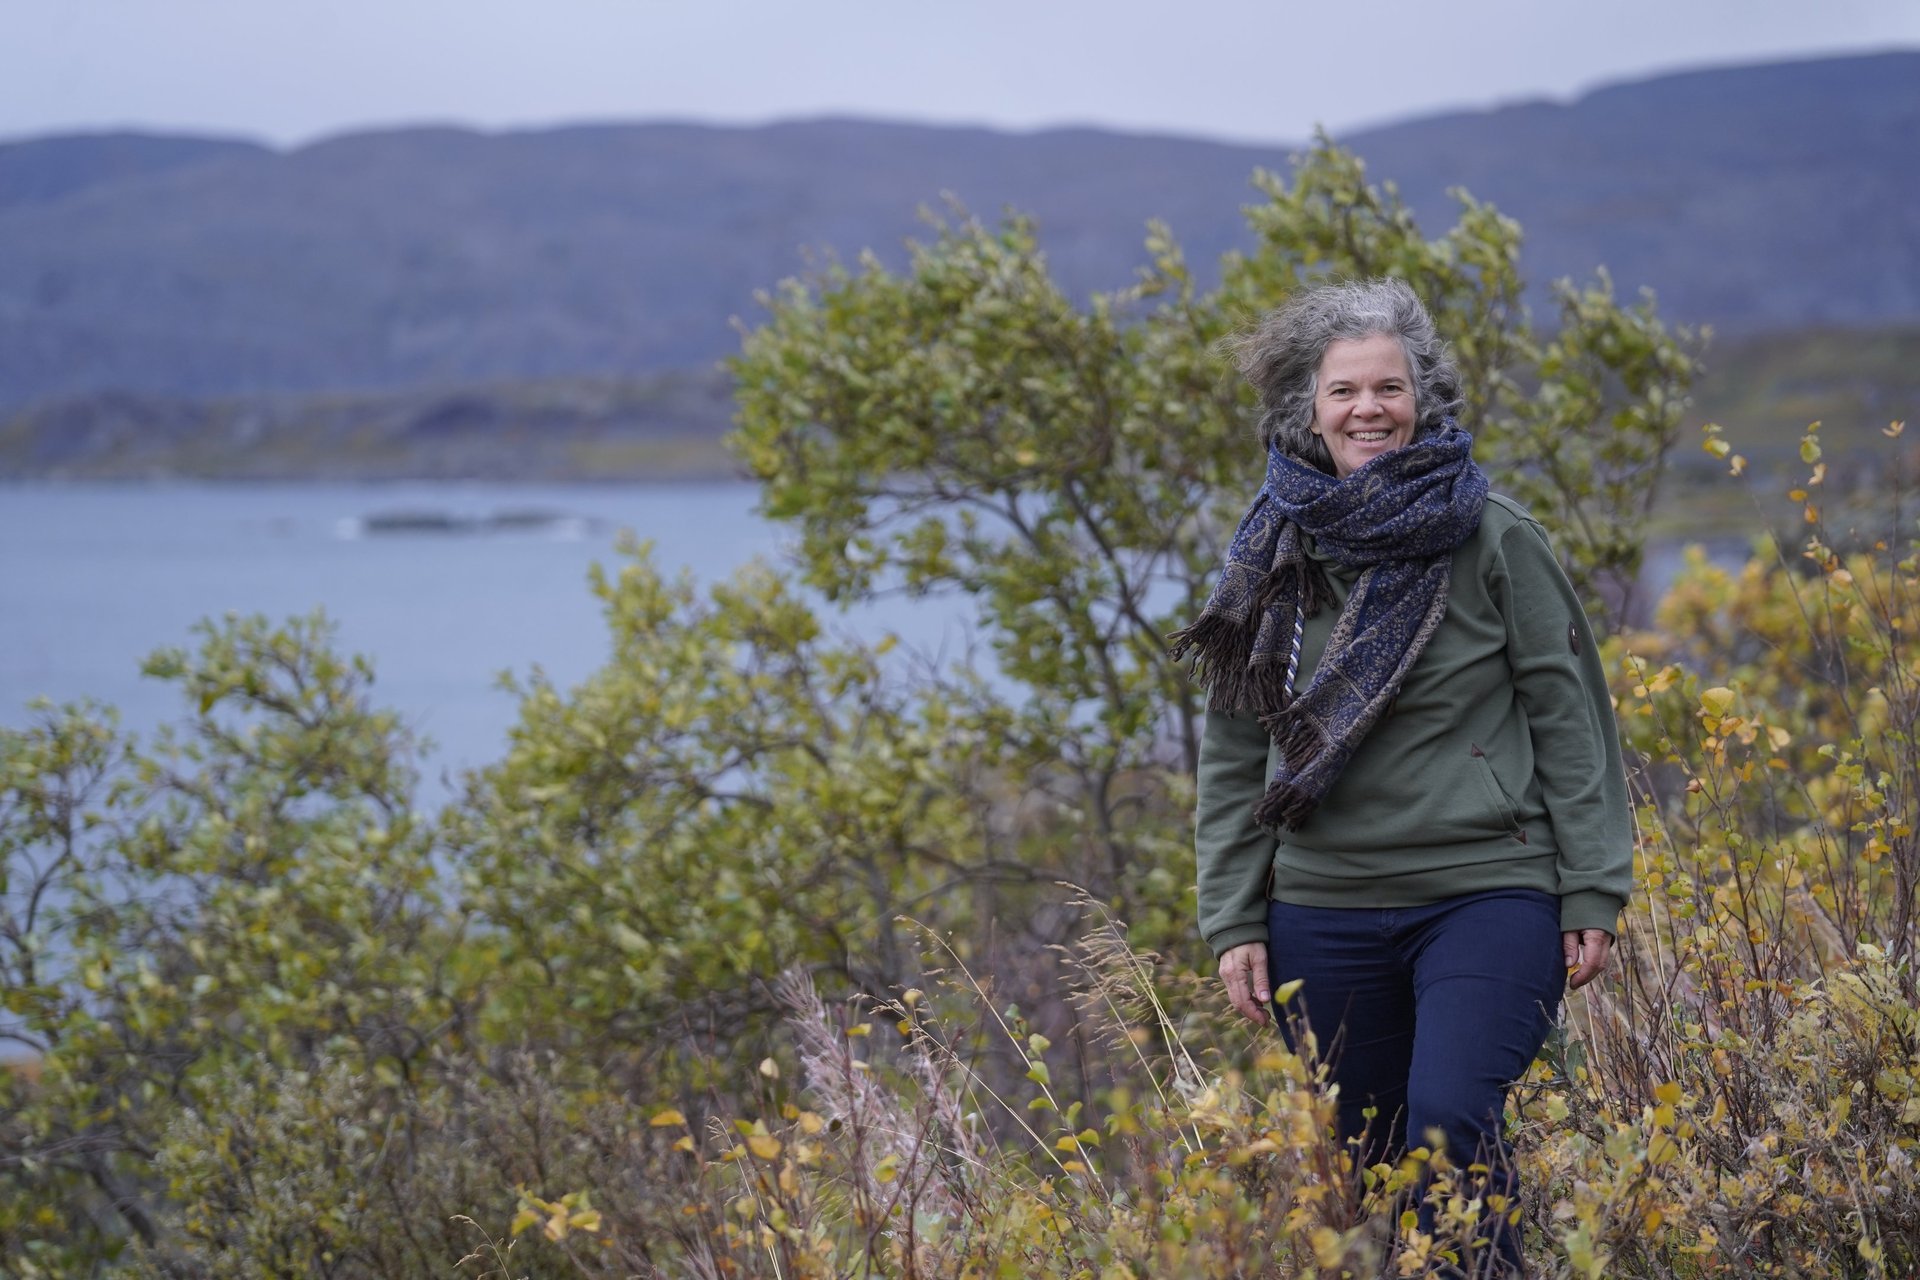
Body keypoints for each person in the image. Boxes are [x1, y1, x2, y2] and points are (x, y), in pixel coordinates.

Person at [1171, 277, 1631, 1278]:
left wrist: (1592, 882)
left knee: (1449, 1119)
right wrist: (1234, 917)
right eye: (1344, 390)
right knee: (1383, 1165)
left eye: (1388, 387)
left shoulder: (1492, 534)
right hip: (1321, 905)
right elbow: (1239, 749)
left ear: (1424, 398)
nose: (1367, 408)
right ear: (1309, 406)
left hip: (1487, 889)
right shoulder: (1273, 551)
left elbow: (1571, 717)